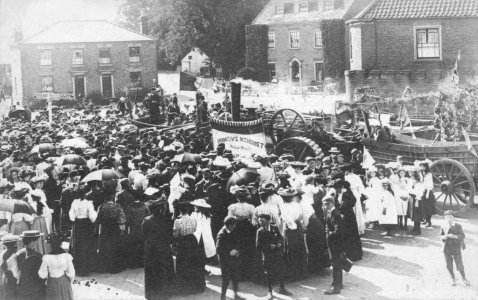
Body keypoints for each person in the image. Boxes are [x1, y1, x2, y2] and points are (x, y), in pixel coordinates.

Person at [142, 200, 175, 299]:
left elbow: (144, 235)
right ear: (161, 209)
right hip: (164, 248)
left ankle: (152, 293)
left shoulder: (146, 220)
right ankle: (166, 293)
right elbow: (170, 235)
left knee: (152, 270)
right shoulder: (167, 220)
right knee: (164, 269)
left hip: (151, 248)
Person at [256, 214, 292, 300]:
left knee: (280, 271)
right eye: (259, 221)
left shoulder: (275, 228)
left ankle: (282, 288)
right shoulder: (259, 231)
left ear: (268, 221)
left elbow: (280, 237)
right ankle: (270, 292)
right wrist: (268, 246)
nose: (261, 222)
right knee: (268, 273)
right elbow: (258, 245)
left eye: (263, 221)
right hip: (268, 256)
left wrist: (279, 243)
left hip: (277, 254)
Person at [173, 202, 205, 295]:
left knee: (183, 262)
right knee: (193, 262)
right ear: (187, 210)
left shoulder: (178, 221)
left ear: (179, 210)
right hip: (192, 240)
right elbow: (195, 229)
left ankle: (184, 286)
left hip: (183, 242)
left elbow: (176, 234)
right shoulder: (193, 218)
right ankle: (194, 284)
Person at [69, 186, 97, 276]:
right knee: (86, 245)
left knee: (78, 245)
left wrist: (75, 218)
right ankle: (85, 268)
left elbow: (71, 216)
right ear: (85, 194)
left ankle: (78, 267)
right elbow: (92, 217)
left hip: (77, 224)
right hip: (85, 224)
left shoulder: (74, 203)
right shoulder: (88, 203)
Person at [38, 233, 75, 300]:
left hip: (52, 283)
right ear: (60, 244)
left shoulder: (46, 257)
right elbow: (71, 273)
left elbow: (42, 274)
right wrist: (69, 282)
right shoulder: (67, 256)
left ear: (51, 246)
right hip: (64, 283)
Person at [96, 193, 126, 274]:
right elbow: (122, 219)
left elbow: (97, 218)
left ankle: (103, 267)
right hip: (114, 228)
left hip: (105, 228)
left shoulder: (101, 206)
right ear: (112, 198)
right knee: (114, 246)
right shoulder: (117, 206)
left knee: (104, 246)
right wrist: (122, 228)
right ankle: (113, 267)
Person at [333, 180, 362, 261]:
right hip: (346, 216)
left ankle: (353, 254)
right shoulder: (342, 194)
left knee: (349, 234)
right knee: (346, 234)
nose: (336, 191)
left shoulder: (347, 195)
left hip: (348, 216)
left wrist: (339, 208)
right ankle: (348, 253)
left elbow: (344, 206)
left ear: (342, 187)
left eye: (337, 189)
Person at [216, 216, 244, 300]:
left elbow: (237, 242)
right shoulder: (221, 234)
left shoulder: (233, 231)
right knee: (226, 279)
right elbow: (218, 249)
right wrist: (229, 252)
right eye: (234, 225)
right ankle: (223, 296)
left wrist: (237, 251)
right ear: (229, 225)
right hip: (225, 261)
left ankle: (235, 294)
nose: (234, 227)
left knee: (235, 277)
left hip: (233, 260)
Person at [440, 210, 470, 287]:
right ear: (445, 218)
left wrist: (455, 236)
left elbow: (462, 236)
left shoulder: (458, 226)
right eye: (447, 217)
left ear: (454, 218)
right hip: (446, 248)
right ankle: (452, 277)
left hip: (456, 247)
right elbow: (441, 236)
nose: (449, 219)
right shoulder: (443, 225)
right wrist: (444, 237)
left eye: (450, 217)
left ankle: (464, 278)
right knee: (448, 264)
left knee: (459, 263)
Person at [323, 196, 344, 295]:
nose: (324, 206)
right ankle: (339, 283)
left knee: (336, 265)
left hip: (336, 243)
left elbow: (337, 231)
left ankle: (336, 288)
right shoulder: (331, 213)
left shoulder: (335, 214)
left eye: (326, 204)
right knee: (337, 263)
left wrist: (328, 233)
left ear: (331, 203)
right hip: (335, 243)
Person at [17, 230, 46, 300]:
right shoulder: (38, 257)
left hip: (23, 286)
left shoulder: (19, 253)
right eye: (35, 240)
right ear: (31, 242)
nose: (36, 242)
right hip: (36, 287)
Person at [0, 235, 20, 299]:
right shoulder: (14, 256)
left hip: (5, 278)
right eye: (15, 245)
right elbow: (15, 273)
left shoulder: (2, 253)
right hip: (12, 280)